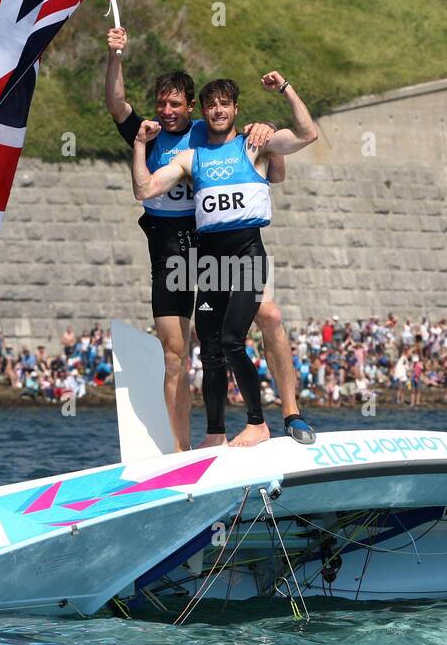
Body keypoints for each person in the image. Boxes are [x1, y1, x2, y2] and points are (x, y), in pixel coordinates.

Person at [106, 27, 315, 450]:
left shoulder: (206, 132)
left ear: (190, 108)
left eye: (175, 104)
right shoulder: (145, 133)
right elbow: (115, 103)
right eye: (161, 103)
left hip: (218, 244)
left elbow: (248, 134)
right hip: (169, 248)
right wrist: (116, 54)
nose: (167, 111)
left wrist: (265, 127)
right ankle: (185, 451)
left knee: (269, 317)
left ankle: (291, 412)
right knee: (176, 352)